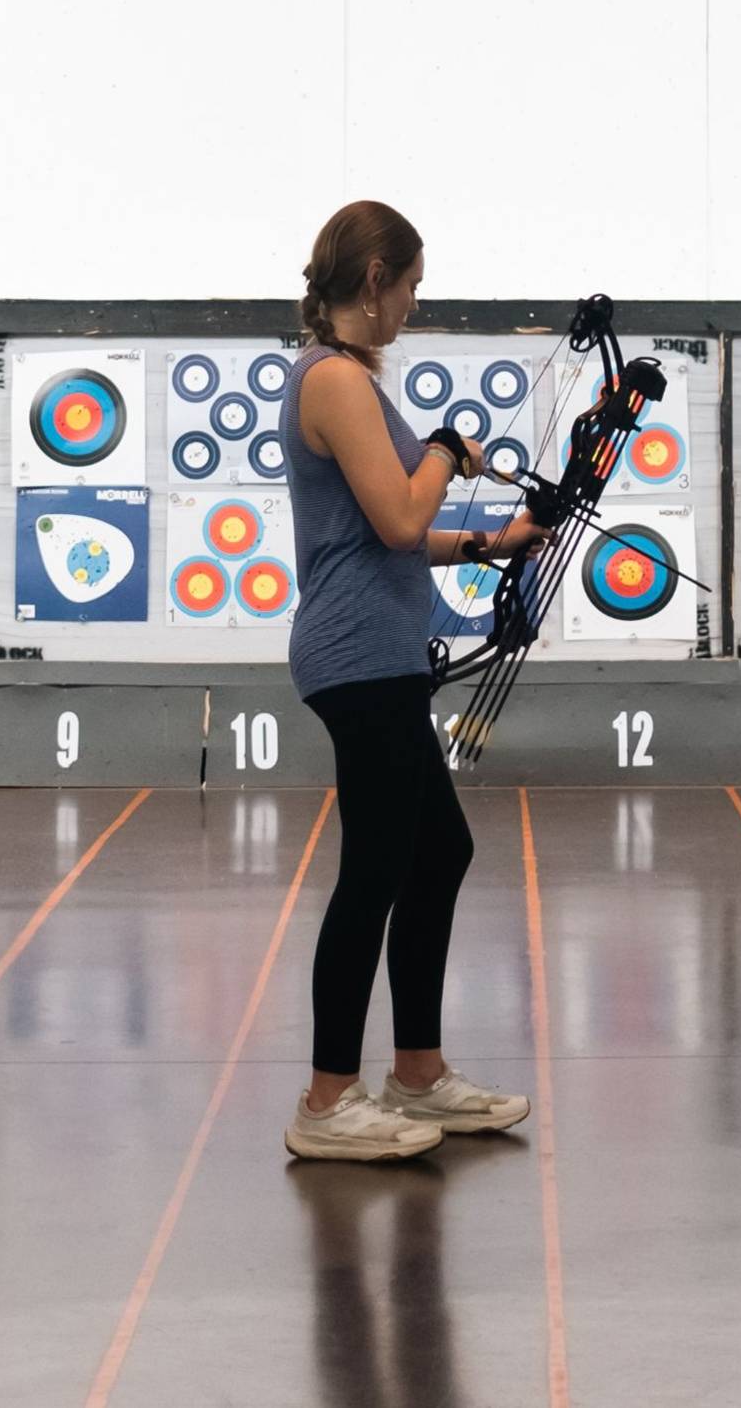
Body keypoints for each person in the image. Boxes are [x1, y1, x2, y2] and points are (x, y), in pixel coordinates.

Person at [280, 199, 542, 1162]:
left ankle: (418, 1076)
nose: (412, 307)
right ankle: (325, 1103)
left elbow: (388, 534)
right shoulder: (336, 381)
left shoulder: (349, 383)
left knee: (438, 853)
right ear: (377, 275)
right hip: (355, 656)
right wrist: (440, 449)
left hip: (378, 651)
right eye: (412, 286)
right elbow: (393, 518)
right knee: (377, 871)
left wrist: (490, 539)